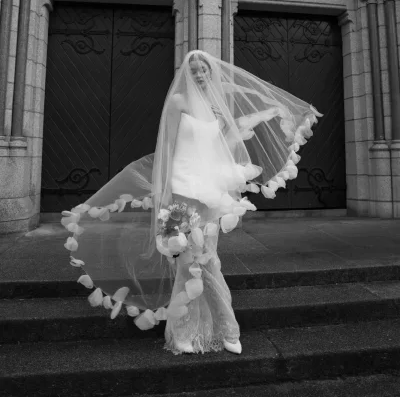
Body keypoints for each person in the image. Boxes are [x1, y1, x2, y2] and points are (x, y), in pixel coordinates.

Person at [62, 50, 321, 355]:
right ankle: (224, 328)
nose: (200, 74)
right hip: (182, 189)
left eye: (204, 70)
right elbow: (167, 148)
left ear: (211, 73)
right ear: (187, 72)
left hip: (209, 190)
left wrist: (228, 124)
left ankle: (199, 330)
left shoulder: (214, 107)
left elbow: (218, 147)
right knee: (189, 258)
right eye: (195, 70)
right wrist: (164, 194)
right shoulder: (178, 103)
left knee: (206, 256)